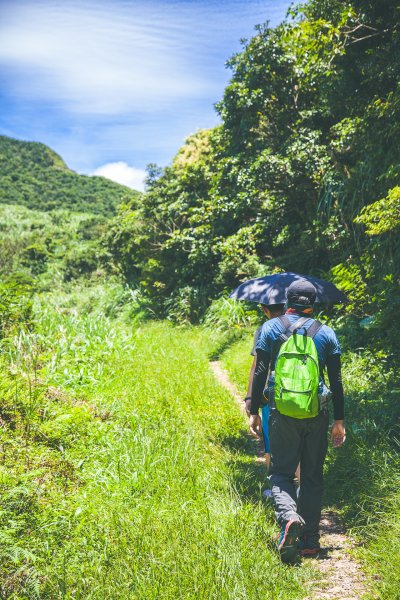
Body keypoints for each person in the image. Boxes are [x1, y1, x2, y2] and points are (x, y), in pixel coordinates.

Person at [249, 279, 346, 563]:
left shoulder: (270, 328)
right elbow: (336, 381)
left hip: (281, 413)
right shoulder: (326, 333)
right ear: (312, 304)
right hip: (316, 413)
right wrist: (339, 420)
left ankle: (290, 517)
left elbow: (260, 372)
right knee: (313, 476)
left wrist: (254, 410)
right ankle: (310, 542)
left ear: (288, 300)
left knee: (281, 473)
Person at [244, 303, 284, 471]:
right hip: (302, 393)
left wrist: (250, 397)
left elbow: (257, 367)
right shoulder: (304, 326)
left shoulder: (264, 329)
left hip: (271, 393)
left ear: (265, 310)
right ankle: (299, 487)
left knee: (270, 442)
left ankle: (274, 487)